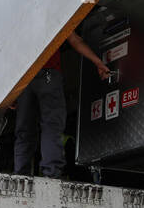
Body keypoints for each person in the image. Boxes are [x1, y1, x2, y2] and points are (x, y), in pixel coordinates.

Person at [14, 32, 110, 178]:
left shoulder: (18, 16)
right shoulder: (53, 11)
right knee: (51, 125)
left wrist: (10, 92)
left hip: (22, 77)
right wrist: (98, 62)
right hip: (49, 74)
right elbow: (75, 40)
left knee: (24, 129)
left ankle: (20, 175)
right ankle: (51, 173)